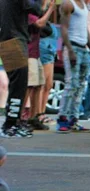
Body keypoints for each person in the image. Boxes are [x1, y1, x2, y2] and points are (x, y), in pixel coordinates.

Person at [0, 0, 43, 138]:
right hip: (14, 40)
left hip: (10, 39)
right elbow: (36, 9)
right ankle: (10, 124)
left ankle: (13, 123)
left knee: (18, 85)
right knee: (18, 85)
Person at [56, 0, 90, 133]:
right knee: (71, 84)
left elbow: (85, 29)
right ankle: (63, 119)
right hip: (73, 47)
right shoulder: (68, 4)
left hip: (83, 49)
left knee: (80, 86)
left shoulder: (84, 5)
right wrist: (70, 50)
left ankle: (74, 120)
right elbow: (64, 28)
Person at [24, 1, 55, 131]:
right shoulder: (28, 14)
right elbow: (40, 24)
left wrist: (44, 8)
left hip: (36, 53)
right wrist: (50, 10)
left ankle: (34, 116)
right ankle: (22, 118)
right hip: (29, 52)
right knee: (30, 86)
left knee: (39, 85)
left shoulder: (35, 12)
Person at [39, 22, 60, 125]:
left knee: (48, 85)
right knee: (42, 85)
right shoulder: (38, 17)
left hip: (51, 51)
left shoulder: (49, 23)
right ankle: (39, 114)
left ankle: (42, 113)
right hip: (44, 50)